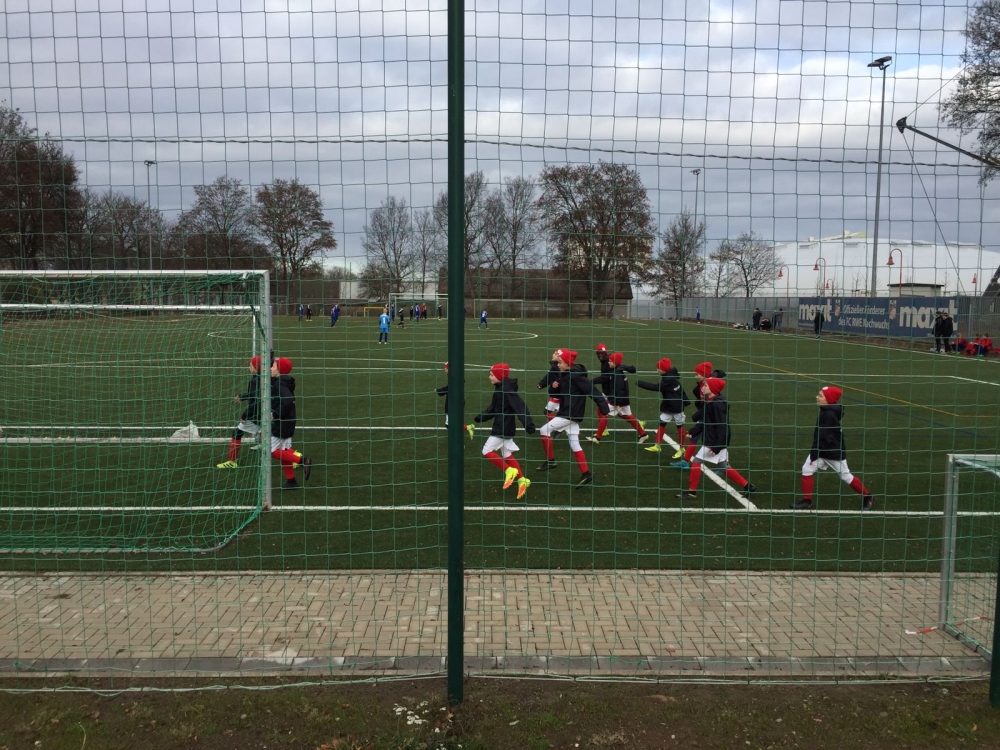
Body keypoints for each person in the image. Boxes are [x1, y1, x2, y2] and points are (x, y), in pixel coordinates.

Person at [536, 348, 610, 487]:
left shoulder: (577, 376)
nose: (557, 365)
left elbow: (593, 391)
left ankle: (551, 461)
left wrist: (604, 408)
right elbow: (556, 391)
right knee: (574, 443)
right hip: (568, 412)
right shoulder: (564, 374)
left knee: (544, 430)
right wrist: (554, 387)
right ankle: (586, 473)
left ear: (567, 363)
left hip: (570, 413)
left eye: (560, 362)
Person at [792, 386, 874, 511]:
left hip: (832, 452)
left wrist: (815, 453)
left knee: (846, 476)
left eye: (820, 396)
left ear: (828, 400)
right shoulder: (826, 410)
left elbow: (824, 437)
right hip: (824, 450)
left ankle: (868, 497)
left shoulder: (828, 414)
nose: (817, 397)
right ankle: (807, 501)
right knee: (807, 469)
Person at [676, 378, 755, 502]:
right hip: (716, 441)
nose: (703, 387)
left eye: (706, 385)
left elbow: (722, 427)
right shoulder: (711, 402)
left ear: (713, 389)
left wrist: (717, 446)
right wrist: (693, 431)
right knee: (723, 467)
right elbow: (705, 421)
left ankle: (692, 492)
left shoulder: (716, 405)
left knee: (696, 461)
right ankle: (748, 486)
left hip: (714, 441)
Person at [473, 363, 536, 500]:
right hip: (503, 426)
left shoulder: (506, 391)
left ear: (499, 376)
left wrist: (528, 424)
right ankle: (522, 480)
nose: (489, 377)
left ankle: (509, 470)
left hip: (503, 427)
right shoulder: (500, 389)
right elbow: (494, 407)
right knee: (507, 454)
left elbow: (520, 407)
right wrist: (481, 417)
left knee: (486, 450)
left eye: (492, 375)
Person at [671, 361, 726, 466]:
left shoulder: (709, 387)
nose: (696, 376)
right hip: (706, 414)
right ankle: (686, 461)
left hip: (710, 416)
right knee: (695, 437)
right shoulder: (701, 386)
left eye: (697, 374)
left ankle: (724, 467)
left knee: (717, 440)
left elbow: (709, 404)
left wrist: (698, 415)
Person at [269, 357, 312, 491]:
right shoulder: (284, 381)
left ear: (280, 369)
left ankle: (303, 461)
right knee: (284, 451)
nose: (271, 368)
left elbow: (287, 400)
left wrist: (275, 414)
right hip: (288, 421)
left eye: (273, 366)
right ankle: (291, 481)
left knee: (272, 451)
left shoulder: (280, 384)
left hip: (282, 422)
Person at [216, 355, 265, 469]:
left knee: (237, 433)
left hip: (255, 414)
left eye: (251, 366)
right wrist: (243, 396)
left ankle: (232, 462)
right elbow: (255, 394)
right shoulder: (264, 377)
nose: (249, 367)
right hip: (265, 411)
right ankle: (295, 457)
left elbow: (256, 400)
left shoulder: (255, 381)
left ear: (256, 368)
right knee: (269, 435)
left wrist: (245, 415)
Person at [588, 352, 647, 444]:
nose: (608, 362)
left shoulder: (617, 375)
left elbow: (620, 390)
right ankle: (643, 434)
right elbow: (605, 378)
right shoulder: (616, 371)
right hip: (623, 400)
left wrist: (617, 403)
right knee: (628, 416)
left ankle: (597, 437)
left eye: (610, 361)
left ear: (615, 363)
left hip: (619, 401)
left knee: (603, 412)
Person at [637, 357, 689, 454]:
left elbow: (656, 387)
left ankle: (682, 448)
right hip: (669, 406)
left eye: (658, 368)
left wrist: (640, 383)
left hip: (676, 407)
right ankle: (657, 445)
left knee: (680, 426)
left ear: (663, 369)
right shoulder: (670, 377)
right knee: (662, 423)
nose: (657, 370)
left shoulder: (668, 380)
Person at [436, 362, 475, 438]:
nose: (444, 369)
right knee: (454, 422)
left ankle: (459, 438)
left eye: (446, 368)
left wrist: (439, 391)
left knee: (449, 424)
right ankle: (468, 428)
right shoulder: (455, 377)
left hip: (453, 404)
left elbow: (449, 388)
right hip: (455, 402)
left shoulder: (454, 378)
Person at [536, 356, 562, 421]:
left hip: (558, 395)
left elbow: (561, 377)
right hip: (554, 394)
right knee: (547, 412)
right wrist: (542, 384)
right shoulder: (554, 366)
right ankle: (556, 424)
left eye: (555, 354)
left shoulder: (559, 367)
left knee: (560, 414)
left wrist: (557, 382)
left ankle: (557, 424)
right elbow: (549, 376)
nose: (553, 355)